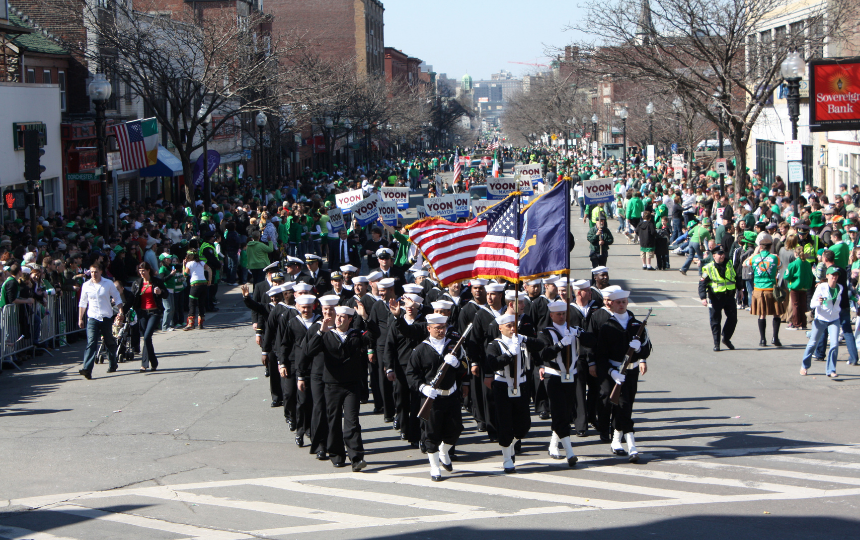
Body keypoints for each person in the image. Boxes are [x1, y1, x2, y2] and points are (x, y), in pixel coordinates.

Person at [303, 305, 370, 472]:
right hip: (332, 385)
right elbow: (308, 351)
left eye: (342, 317)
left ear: (349, 320)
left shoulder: (355, 334)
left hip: (351, 386)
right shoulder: (326, 335)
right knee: (333, 422)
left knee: (352, 422)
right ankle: (336, 454)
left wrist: (366, 318)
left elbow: (374, 336)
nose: (338, 319)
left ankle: (356, 457)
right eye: (337, 316)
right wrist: (321, 331)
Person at [405, 313, 467, 481]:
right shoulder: (420, 350)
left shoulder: (453, 346)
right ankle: (434, 466)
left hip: (451, 395)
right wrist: (422, 387)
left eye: (443, 327)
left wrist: (457, 363)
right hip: (431, 397)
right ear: (429, 328)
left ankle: (444, 451)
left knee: (455, 429)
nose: (441, 331)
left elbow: (464, 367)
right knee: (431, 433)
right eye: (437, 328)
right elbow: (411, 374)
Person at [594, 288, 651, 462]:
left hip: (631, 372)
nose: (621, 305)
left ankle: (616, 440)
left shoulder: (636, 325)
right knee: (623, 406)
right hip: (615, 373)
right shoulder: (607, 327)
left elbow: (647, 351)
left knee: (626, 406)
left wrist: (639, 348)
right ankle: (632, 446)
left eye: (624, 302)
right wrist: (611, 373)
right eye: (618, 302)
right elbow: (601, 355)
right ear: (611, 303)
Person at [536, 300, 581, 467]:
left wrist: (579, 334)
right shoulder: (545, 332)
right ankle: (570, 452)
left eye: (564, 314)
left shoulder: (573, 329)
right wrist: (561, 345)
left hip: (571, 377)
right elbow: (544, 354)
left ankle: (553, 445)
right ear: (552, 315)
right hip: (553, 377)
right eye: (559, 314)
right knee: (559, 411)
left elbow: (592, 341)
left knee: (566, 413)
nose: (562, 317)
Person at [78, 261, 124, 379]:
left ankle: (113, 363)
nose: (94, 274)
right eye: (92, 272)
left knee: (109, 341)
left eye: (96, 272)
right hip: (92, 317)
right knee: (91, 342)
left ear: (101, 272)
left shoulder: (108, 283)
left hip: (106, 317)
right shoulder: (86, 285)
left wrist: (121, 311)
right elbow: (83, 303)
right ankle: (87, 369)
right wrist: (80, 318)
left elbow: (117, 297)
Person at [125, 261, 169, 372]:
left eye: (143, 271)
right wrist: (122, 311)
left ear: (148, 270)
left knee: (146, 337)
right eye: (140, 271)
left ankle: (144, 364)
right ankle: (154, 362)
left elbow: (166, 294)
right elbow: (131, 299)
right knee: (147, 338)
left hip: (154, 312)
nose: (141, 273)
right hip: (142, 313)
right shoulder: (137, 283)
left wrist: (160, 292)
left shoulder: (156, 281)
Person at [743, 232, 784, 347]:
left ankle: (762, 339)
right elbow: (780, 266)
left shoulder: (755, 258)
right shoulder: (775, 258)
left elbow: (744, 264)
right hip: (771, 289)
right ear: (770, 247)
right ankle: (775, 338)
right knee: (776, 314)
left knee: (762, 314)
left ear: (760, 247)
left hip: (758, 289)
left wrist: (754, 254)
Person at [801, 267, 842, 378]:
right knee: (813, 343)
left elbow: (840, 302)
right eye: (832, 275)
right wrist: (818, 302)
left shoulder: (840, 288)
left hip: (834, 319)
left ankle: (831, 370)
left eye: (836, 275)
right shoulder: (821, 287)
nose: (835, 277)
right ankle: (804, 366)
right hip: (821, 319)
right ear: (827, 276)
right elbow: (812, 304)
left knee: (834, 344)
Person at [698, 246, 738, 351]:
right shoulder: (708, 268)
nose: (722, 256)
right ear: (714, 255)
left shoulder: (729, 264)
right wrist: (703, 297)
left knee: (733, 318)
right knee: (715, 321)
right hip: (716, 297)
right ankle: (717, 344)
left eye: (723, 254)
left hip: (729, 295)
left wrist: (741, 289)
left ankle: (726, 338)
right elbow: (702, 283)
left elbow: (736, 277)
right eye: (720, 254)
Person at [183, 250, 211, 330]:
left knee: (192, 304)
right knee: (201, 304)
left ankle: (191, 324)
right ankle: (200, 323)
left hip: (195, 285)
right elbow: (209, 269)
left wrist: (184, 265)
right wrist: (209, 280)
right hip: (204, 284)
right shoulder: (201, 262)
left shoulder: (189, 263)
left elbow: (185, 274)